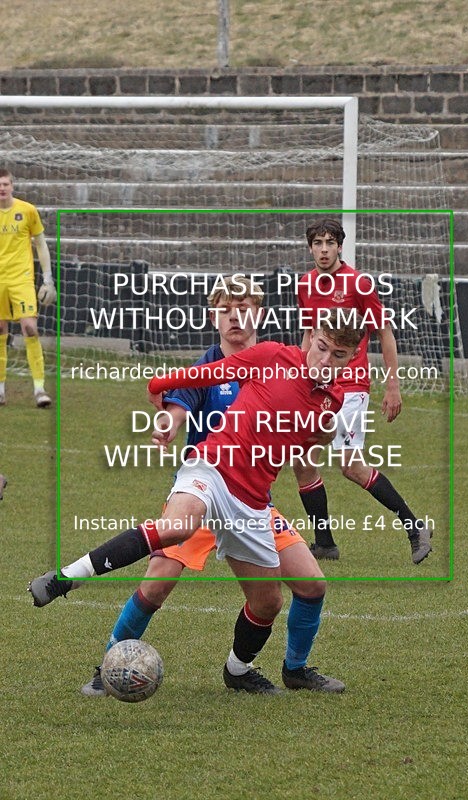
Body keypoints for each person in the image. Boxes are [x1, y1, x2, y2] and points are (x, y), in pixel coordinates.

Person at [29, 310, 364, 693]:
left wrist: (324, 435)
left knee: (272, 601)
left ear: (351, 357)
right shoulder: (272, 357)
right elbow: (208, 374)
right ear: (310, 337)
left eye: (337, 355)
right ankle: (65, 580)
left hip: (252, 503)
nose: (324, 359)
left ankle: (241, 672)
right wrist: (161, 384)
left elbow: (307, 441)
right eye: (321, 347)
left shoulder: (332, 399)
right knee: (175, 534)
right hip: (210, 470)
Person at [294, 217, 432, 564]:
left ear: (340, 246)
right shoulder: (307, 284)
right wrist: (299, 374)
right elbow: (310, 336)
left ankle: (415, 526)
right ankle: (324, 542)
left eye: (330, 243)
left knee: (350, 466)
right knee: (302, 456)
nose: (324, 249)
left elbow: (385, 333)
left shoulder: (357, 284)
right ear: (310, 248)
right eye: (317, 243)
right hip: (320, 382)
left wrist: (393, 386)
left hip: (351, 384)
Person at [0, 168, 56, 408]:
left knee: (30, 327)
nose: (2, 189)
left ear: (12, 186)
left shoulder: (27, 210)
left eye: (5, 184)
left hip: (21, 279)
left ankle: (39, 389)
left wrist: (48, 280)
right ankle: (0, 391)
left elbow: (41, 246)